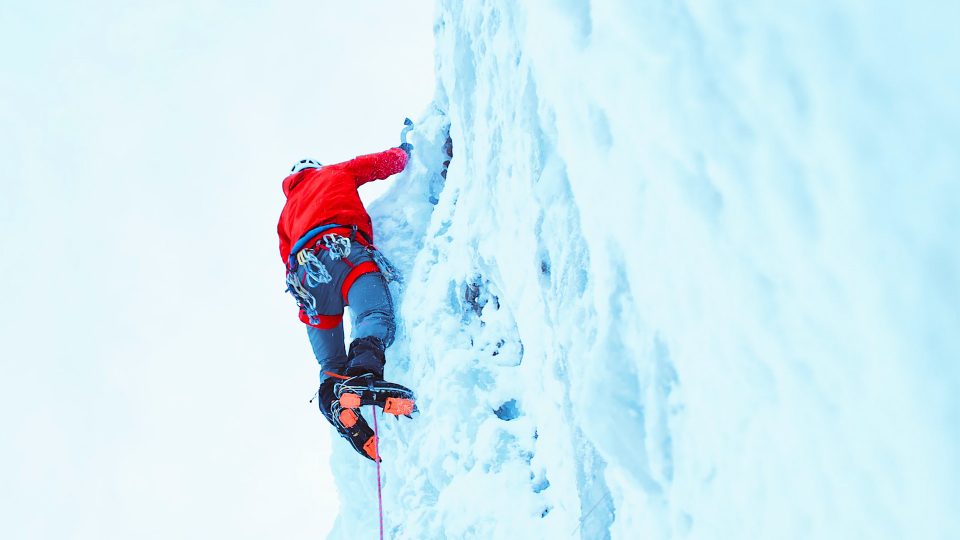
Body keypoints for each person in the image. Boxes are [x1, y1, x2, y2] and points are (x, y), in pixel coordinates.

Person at [278, 130, 416, 461]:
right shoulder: (333, 173)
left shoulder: (285, 215)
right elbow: (376, 165)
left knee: (330, 362)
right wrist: (407, 151)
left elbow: (285, 254)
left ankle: (336, 404)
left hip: (306, 280)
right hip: (341, 252)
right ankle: (363, 377)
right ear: (315, 169)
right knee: (373, 316)